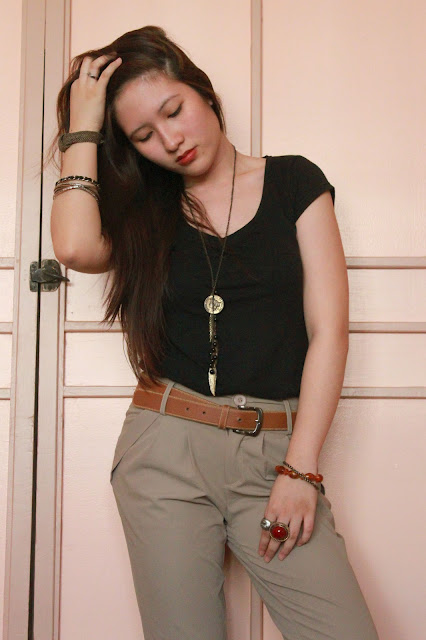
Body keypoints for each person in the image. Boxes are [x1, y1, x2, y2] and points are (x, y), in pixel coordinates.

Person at [49, 25, 379, 640]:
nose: (170, 139)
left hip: (274, 455)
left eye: (174, 110)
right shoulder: (145, 212)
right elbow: (72, 246)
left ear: (203, 92)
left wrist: (300, 471)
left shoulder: (295, 182)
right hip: (164, 454)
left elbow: (329, 331)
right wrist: (83, 126)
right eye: (143, 135)